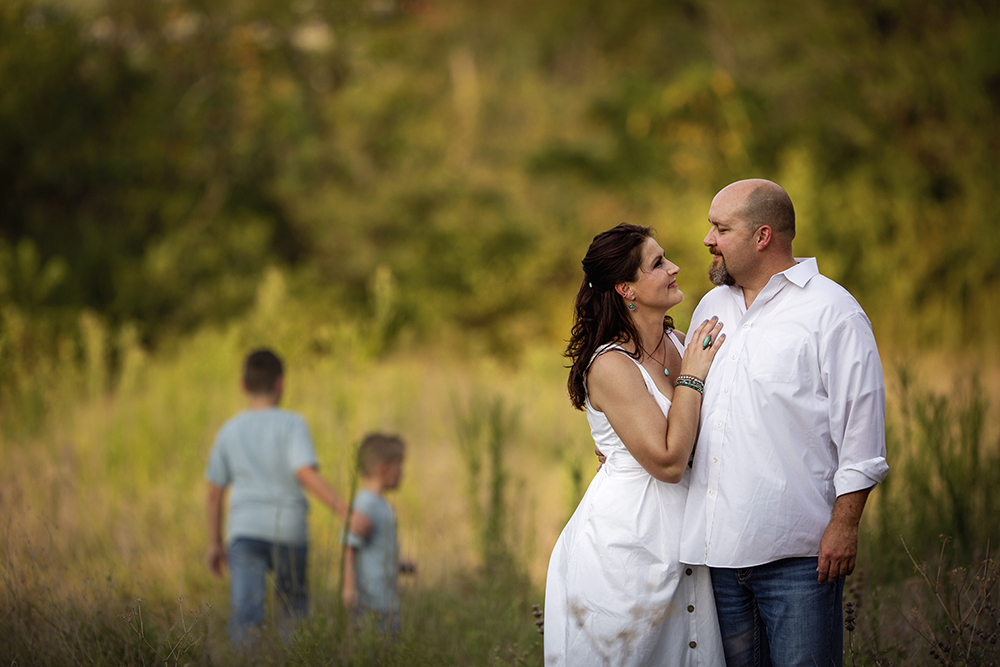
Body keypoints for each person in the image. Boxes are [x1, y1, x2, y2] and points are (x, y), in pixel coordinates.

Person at [679, 179, 889, 667]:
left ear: (763, 236)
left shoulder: (831, 311)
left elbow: (862, 430)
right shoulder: (711, 307)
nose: (708, 239)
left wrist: (845, 524)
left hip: (798, 558)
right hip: (717, 556)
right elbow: (685, 400)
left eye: (720, 227)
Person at [544, 223, 727, 666]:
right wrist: (693, 377)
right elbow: (666, 461)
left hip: (688, 534)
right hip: (629, 539)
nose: (675, 267)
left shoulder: (680, 344)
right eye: (658, 263)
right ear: (626, 288)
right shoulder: (610, 364)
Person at [205, 348, 350, 644]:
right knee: (294, 609)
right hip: (289, 530)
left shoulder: (229, 430)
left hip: (244, 532)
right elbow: (304, 472)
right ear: (281, 384)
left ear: (243, 385)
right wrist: (344, 511)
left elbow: (214, 493)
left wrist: (214, 543)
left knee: (245, 615)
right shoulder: (293, 424)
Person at [341, 432, 414, 636]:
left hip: (386, 600)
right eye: (399, 466)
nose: (402, 472)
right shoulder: (366, 503)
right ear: (383, 468)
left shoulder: (382, 504)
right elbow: (350, 545)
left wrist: (400, 565)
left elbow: (375, 550)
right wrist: (349, 587)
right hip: (370, 601)